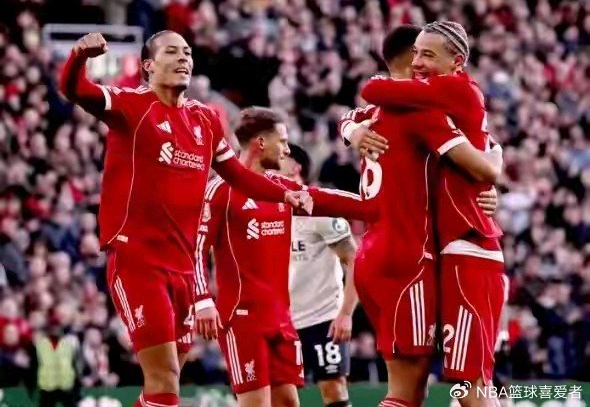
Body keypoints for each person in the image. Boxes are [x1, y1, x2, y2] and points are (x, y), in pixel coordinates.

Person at [59, 30, 311, 407]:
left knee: (164, 385)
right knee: (165, 380)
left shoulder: (205, 119)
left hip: (182, 269)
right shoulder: (131, 105)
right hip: (138, 261)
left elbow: (237, 175)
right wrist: (80, 54)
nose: (184, 58)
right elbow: (75, 89)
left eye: (188, 52)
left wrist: (284, 193)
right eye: (172, 52)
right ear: (148, 66)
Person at [338, 25, 502, 407]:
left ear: (455, 62)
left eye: (427, 54)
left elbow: (362, 102)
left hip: (412, 251)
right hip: (416, 257)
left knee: (451, 386)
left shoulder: (374, 116)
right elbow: (486, 161)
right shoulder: (422, 114)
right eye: (417, 53)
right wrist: (494, 163)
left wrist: (350, 130)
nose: (420, 62)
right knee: (436, 389)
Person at [193, 107, 377, 407]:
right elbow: (196, 250)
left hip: (281, 318)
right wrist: (202, 300)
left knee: (289, 402)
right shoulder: (220, 191)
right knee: (256, 404)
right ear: (260, 143)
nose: (288, 149)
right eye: (282, 141)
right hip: (243, 319)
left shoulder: (279, 188)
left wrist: (377, 207)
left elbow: (324, 198)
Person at [283, 143, 358, 407]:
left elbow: (354, 261)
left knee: (334, 390)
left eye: (281, 157)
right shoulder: (266, 210)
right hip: (281, 321)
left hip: (322, 320)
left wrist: (345, 313)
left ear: (295, 168)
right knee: (282, 395)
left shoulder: (321, 209)